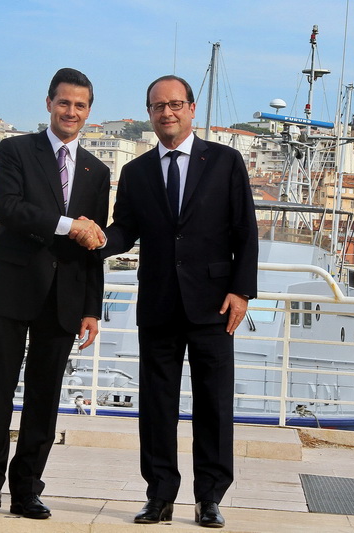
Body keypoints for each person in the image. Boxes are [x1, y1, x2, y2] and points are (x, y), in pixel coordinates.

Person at [74, 74, 257, 528]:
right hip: (157, 302)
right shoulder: (135, 172)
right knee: (156, 405)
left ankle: (209, 497)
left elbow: (245, 231)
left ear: (192, 109)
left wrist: (241, 291)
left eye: (175, 105)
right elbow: (125, 230)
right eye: (158, 107)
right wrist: (96, 238)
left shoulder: (226, 162)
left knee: (214, 404)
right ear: (150, 114)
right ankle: (159, 496)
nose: (167, 113)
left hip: (214, 304)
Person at [0, 67, 109, 519]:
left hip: (64, 297)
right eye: (63, 102)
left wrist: (92, 308)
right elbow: (5, 207)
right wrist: (68, 225)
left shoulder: (97, 170)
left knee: (45, 399)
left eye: (80, 105)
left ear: (89, 112)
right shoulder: (16, 150)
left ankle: (27, 489)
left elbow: (94, 246)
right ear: (49, 104)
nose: (71, 111)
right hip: (9, 288)